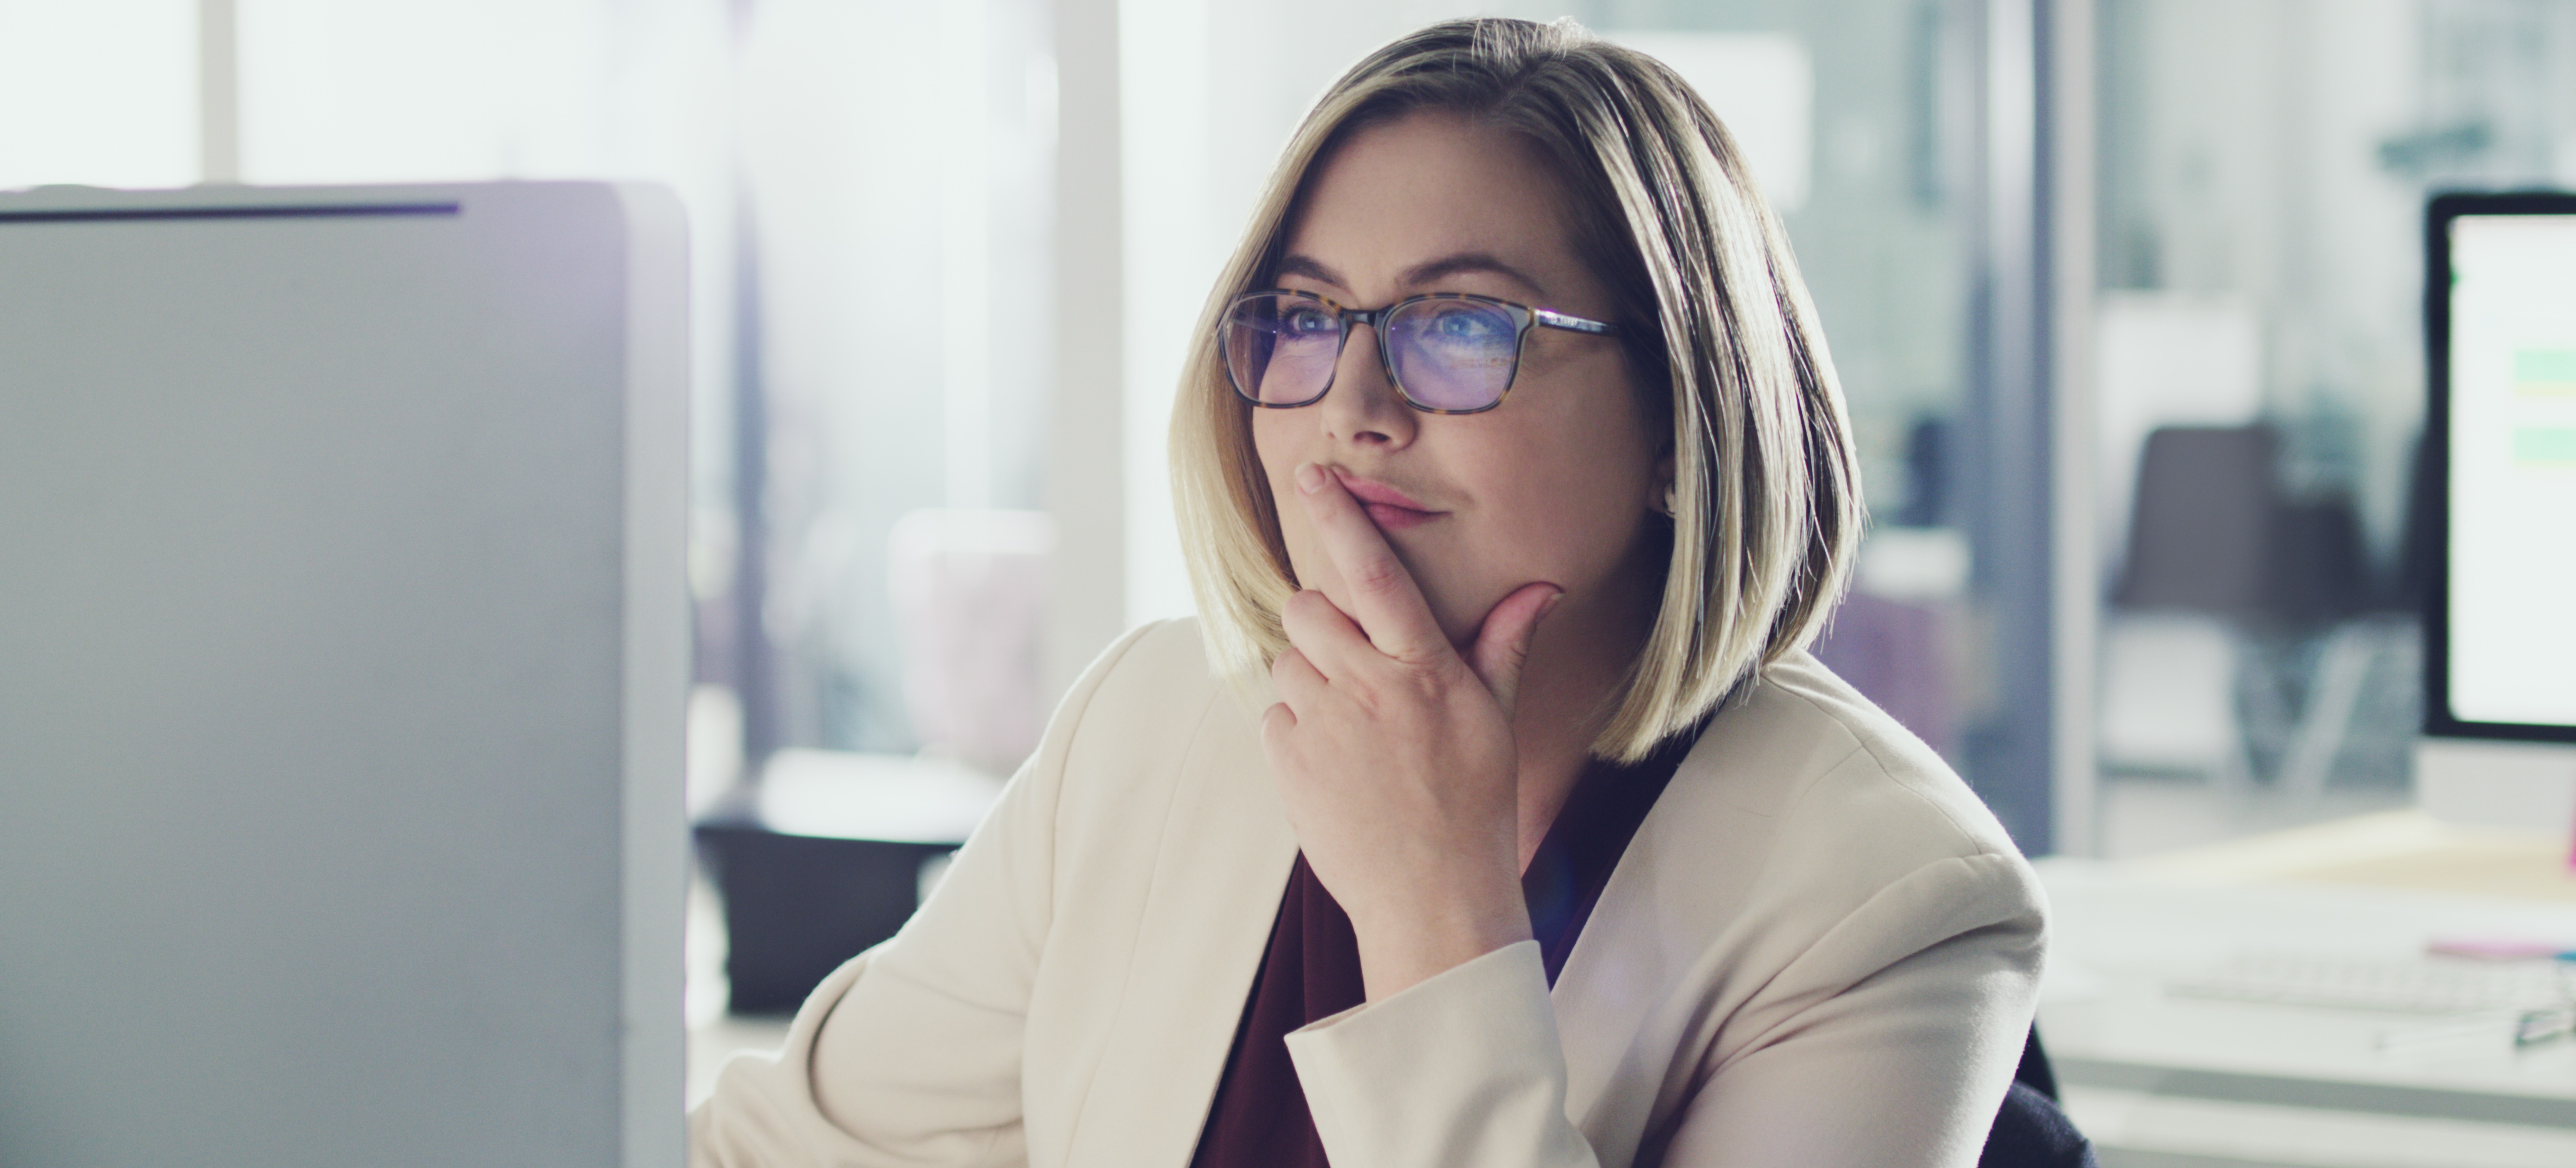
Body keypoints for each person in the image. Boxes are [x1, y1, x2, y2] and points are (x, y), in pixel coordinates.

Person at [691, 17, 2044, 1168]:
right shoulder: (1150, 724)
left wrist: (1433, 909)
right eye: (1304, 317)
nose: (1351, 404)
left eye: (1460, 325)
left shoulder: (1892, 899)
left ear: (1682, 427)